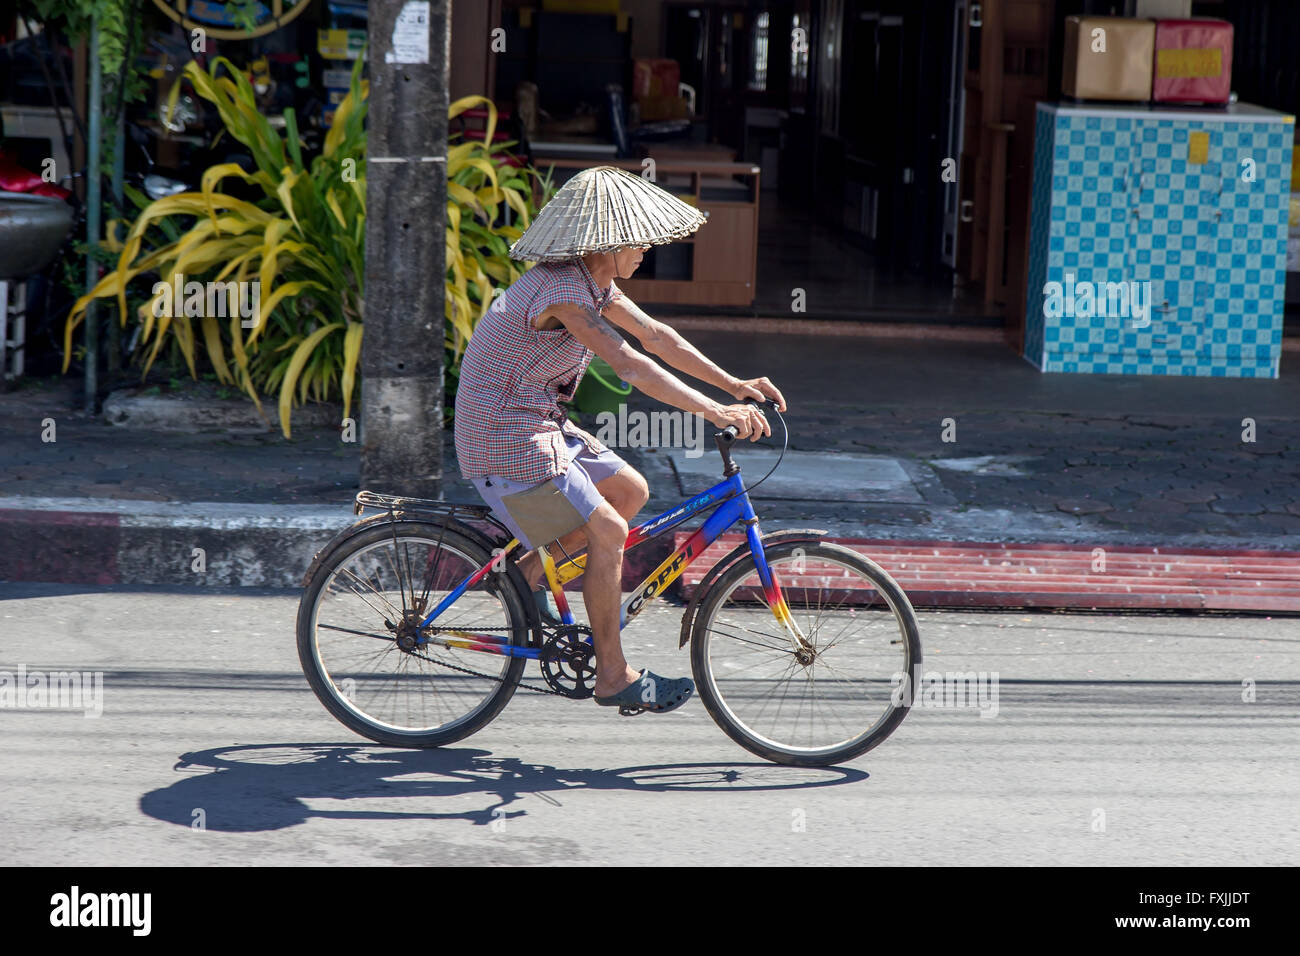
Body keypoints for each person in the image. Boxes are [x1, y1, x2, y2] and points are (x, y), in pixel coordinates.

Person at [453, 166, 786, 715]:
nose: (647, 250)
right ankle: (612, 675)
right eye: (641, 241)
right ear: (610, 241)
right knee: (608, 528)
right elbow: (629, 362)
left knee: (629, 492)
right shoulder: (563, 292)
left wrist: (735, 385)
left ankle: (528, 575)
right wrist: (714, 411)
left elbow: (657, 337)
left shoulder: (593, 282)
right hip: (503, 431)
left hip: (536, 419)